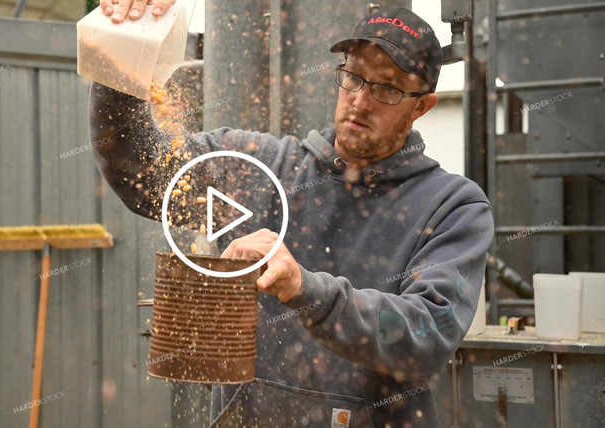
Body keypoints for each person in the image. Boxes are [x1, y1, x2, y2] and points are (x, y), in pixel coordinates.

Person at [90, 4, 493, 427]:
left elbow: (427, 336)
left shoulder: (452, 206)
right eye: (354, 76)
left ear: (421, 107)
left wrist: (306, 289)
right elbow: (140, 171)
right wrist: (125, 46)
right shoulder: (259, 168)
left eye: (388, 89)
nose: (360, 101)